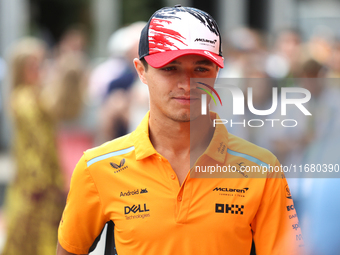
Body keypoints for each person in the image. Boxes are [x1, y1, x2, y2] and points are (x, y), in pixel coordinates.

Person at [57, 5, 304, 255]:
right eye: (170, 68)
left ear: (218, 72)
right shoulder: (97, 166)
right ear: (141, 70)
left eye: (201, 68)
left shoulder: (262, 169)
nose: (187, 83)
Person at [2, 37, 84, 255]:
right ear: (21, 69)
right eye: (33, 65)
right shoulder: (25, 99)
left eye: (41, 63)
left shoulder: (34, 95)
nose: (40, 69)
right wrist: (42, 183)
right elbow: (36, 146)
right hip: (36, 185)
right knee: (32, 239)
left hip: (42, 181)